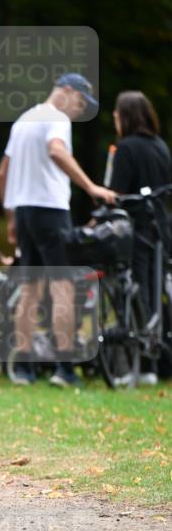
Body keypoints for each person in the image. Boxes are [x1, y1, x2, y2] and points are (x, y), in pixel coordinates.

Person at [0, 73, 116, 388]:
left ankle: (23, 368)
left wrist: (11, 218)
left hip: (24, 212)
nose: (79, 110)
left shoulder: (24, 120)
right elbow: (57, 150)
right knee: (62, 286)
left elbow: (1, 173)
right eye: (80, 102)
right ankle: (64, 368)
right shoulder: (57, 118)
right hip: (50, 210)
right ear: (65, 91)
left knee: (31, 287)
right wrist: (91, 187)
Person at [108, 91, 172, 385]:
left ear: (126, 117)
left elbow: (117, 193)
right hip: (160, 226)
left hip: (134, 227)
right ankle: (156, 361)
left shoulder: (126, 148)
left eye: (117, 115)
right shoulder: (160, 146)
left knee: (134, 289)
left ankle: (139, 363)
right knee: (156, 289)